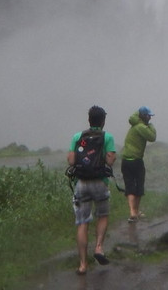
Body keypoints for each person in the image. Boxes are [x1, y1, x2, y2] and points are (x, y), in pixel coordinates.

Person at [67, 105, 117, 275]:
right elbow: (110, 161)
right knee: (102, 215)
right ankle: (98, 248)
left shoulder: (77, 136)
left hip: (82, 183)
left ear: (89, 120)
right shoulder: (107, 137)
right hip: (100, 183)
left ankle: (82, 265)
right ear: (103, 121)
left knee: (82, 223)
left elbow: (71, 161)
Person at [121, 106, 157, 222]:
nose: (150, 118)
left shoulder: (135, 126)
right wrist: (150, 125)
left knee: (130, 186)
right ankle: (134, 211)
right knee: (138, 186)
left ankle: (133, 212)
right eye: (149, 116)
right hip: (136, 160)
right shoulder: (141, 127)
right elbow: (152, 137)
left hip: (126, 161)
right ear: (144, 116)